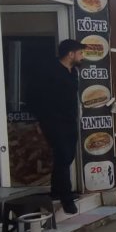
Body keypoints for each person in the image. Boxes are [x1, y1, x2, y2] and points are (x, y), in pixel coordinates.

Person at [30, 39, 84, 215]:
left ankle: (55, 190)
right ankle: (66, 199)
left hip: (70, 120)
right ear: (70, 54)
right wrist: (40, 120)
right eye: (80, 52)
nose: (82, 56)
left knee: (67, 157)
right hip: (53, 121)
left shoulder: (73, 72)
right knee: (62, 156)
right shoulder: (50, 71)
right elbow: (36, 96)